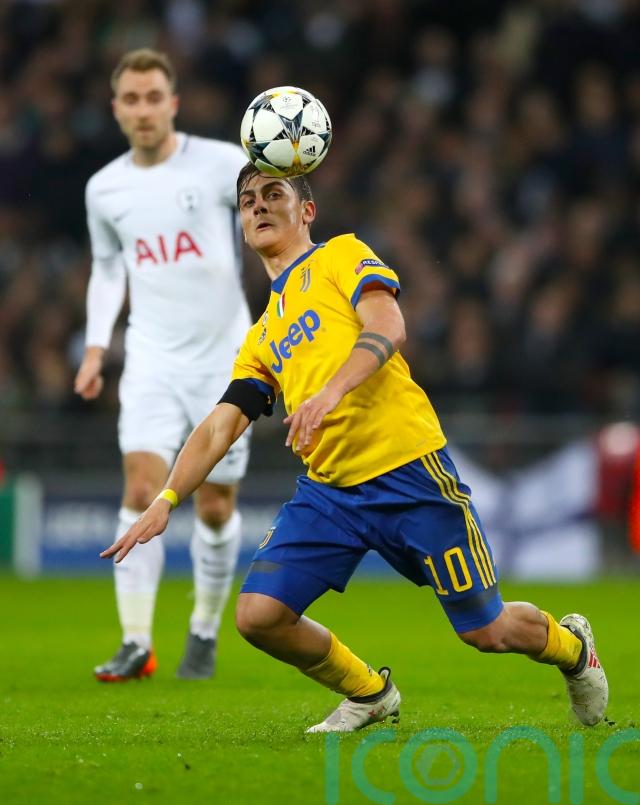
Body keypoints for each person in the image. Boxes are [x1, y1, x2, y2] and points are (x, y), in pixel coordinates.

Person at [102, 163, 608, 731]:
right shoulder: (262, 336)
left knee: (485, 630)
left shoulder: (341, 256)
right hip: (332, 494)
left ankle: (573, 649)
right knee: (258, 615)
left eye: (273, 194)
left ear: (307, 211)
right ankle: (370, 693)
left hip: (410, 471)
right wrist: (167, 498)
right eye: (247, 201)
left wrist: (329, 392)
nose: (258, 206)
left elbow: (389, 326)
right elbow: (220, 426)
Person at [75, 49, 252, 681]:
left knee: (215, 507)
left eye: (154, 97)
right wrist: (96, 348)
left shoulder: (221, 164)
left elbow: (271, 217)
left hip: (225, 361)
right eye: (132, 98)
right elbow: (106, 269)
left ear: (173, 104)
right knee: (141, 490)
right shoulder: (104, 189)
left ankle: (203, 628)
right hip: (151, 357)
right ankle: (136, 642)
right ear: (116, 109)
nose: (144, 109)